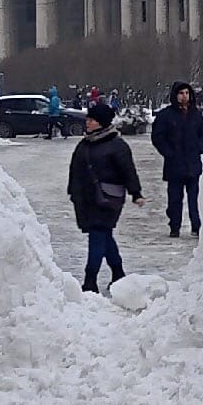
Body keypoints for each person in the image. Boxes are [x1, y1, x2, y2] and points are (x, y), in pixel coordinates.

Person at [65, 103, 143, 292]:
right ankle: (118, 273)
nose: (88, 123)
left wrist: (136, 193)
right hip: (87, 199)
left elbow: (128, 171)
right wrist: (73, 192)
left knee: (97, 235)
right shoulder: (85, 144)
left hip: (108, 199)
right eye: (88, 119)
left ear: (101, 122)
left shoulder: (117, 146)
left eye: (91, 120)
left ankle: (90, 281)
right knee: (104, 236)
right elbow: (75, 169)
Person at [152, 81, 203, 238]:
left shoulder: (196, 115)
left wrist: (200, 147)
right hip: (174, 166)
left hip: (193, 164)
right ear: (175, 95)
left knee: (194, 199)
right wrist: (169, 153)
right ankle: (174, 227)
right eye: (181, 93)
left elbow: (202, 134)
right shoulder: (166, 116)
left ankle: (196, 226)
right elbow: (158, 137)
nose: (185, 96)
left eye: (187, 93)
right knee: (175, 200)